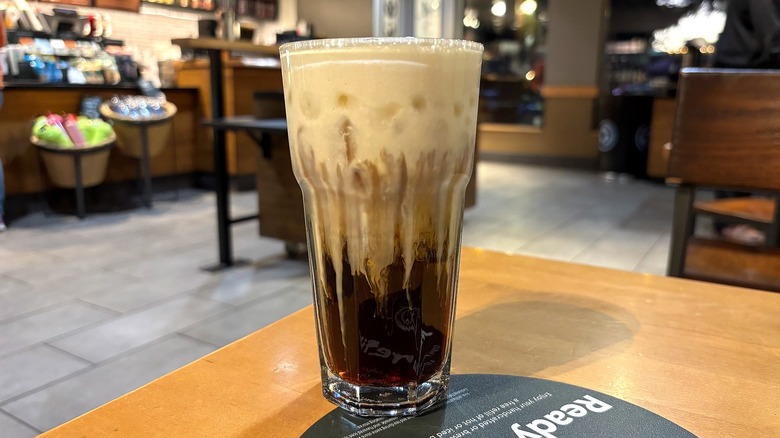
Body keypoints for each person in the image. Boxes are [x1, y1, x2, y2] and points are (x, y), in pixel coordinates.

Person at [710, 0, 780, 244]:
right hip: (741, 71)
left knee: (738, 150)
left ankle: (732, 220)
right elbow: (772, 36)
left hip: (741, 69)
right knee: (737, 151)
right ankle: (731, 222)